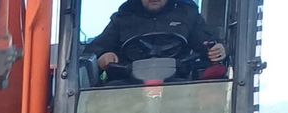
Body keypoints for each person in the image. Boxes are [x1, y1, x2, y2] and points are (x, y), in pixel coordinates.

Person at [86, 0, 226, 80]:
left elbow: (208, 44)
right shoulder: (122, 18)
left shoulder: (187, 14)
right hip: (127, 88)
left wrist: (217, 50)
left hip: (179, 87)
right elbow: (92, 53)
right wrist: (102, 58)